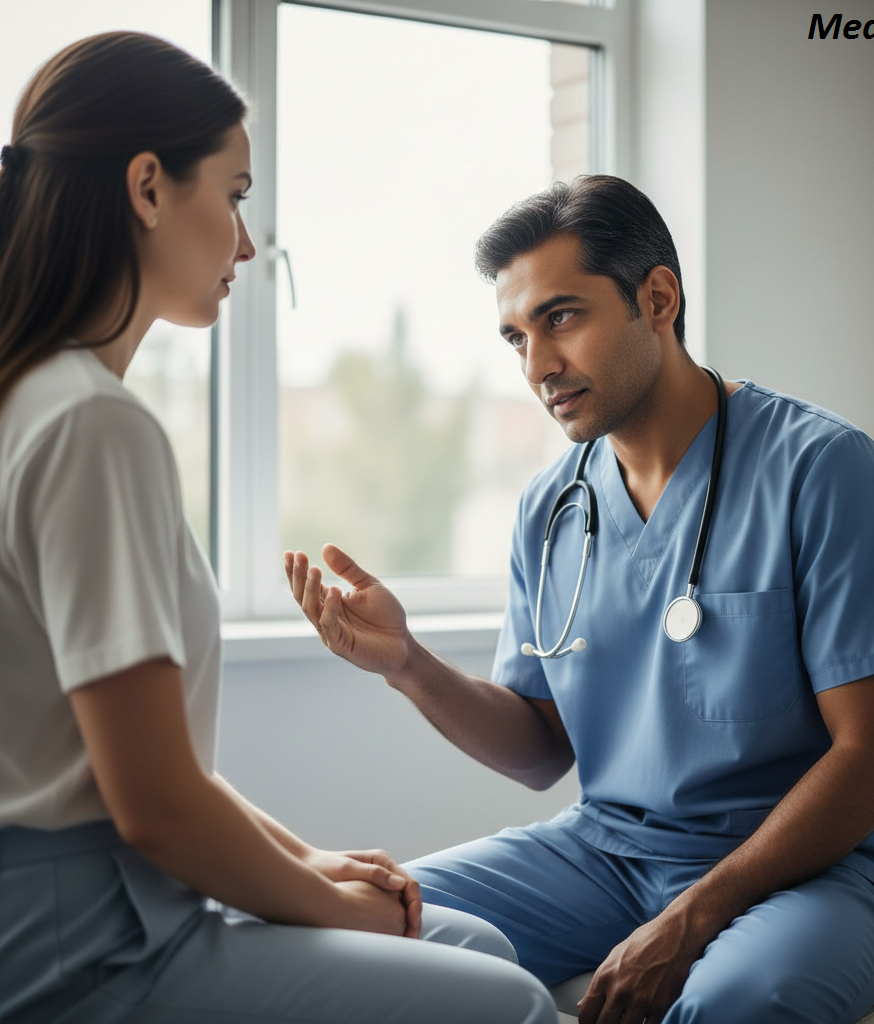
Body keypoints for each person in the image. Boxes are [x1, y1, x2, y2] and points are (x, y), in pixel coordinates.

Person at [286, 174, 874, 1024]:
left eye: (560, 318)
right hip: (604, 854)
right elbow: (541, 753)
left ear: (658, 297)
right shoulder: (551, 507)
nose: (537, 366)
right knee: (364, 927)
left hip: (816, 874)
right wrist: (408, 664)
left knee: (727, 1008)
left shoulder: (820, 469)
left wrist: (694, 915)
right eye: (515, 337)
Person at [0, 31, 558, 1024]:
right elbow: (156, 805)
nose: (249, 247)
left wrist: (311, 858)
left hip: (102, 897)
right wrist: (336, 908)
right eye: (238, 193)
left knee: (469, 936)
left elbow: (146, 763)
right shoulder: (91, 423)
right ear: (147, 187)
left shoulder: (39, 399)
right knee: (509, 1000)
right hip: (82, 942)